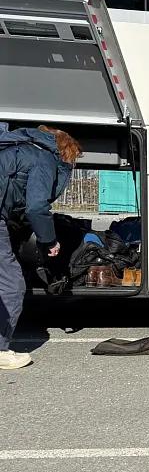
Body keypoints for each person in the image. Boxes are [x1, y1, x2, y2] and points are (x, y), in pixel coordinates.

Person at [0, 124, 81, 369]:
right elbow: (37, 206)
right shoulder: (44, 158)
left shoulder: (18, 146)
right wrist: (49, 241)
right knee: (11, 285)